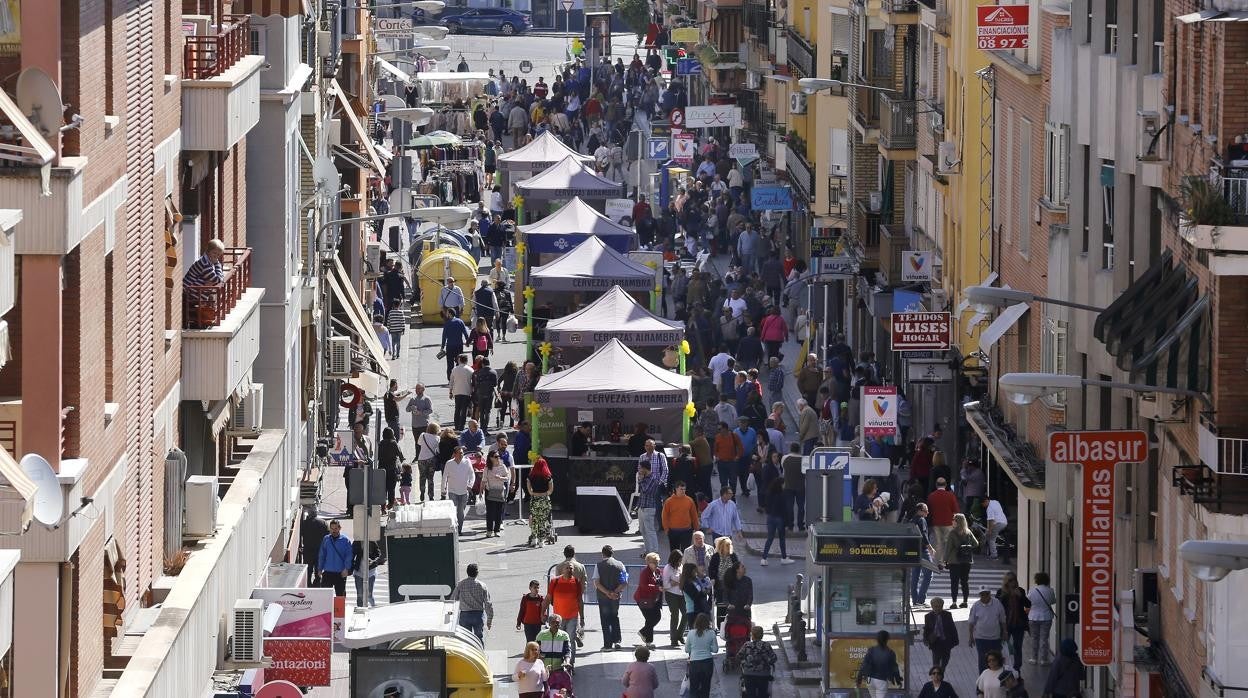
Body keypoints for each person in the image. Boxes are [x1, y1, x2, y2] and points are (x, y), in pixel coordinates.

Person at [545, 561, 584, 662]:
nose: (569, 570)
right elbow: (548, 597)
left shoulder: (576, 582)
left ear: (573, 570)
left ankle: (570, 663)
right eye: (567, 568)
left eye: (571, 568)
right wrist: (542, 612)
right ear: (562, 570)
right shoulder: (555, 581)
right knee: (559, 639)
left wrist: (582, 617)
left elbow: (580, 600)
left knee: (570, 639)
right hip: (558, 618)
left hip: (572, 616)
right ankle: (559, 662)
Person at [594, 545, 628, 650]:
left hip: (603, 597)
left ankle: (608, 645)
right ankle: (617, 641)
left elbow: (597, 583)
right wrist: (614, 592)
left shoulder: (598, 565)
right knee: (615, 617)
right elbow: (624, 582)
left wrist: (608, 593)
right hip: (616, 597)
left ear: (602, 554)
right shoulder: (620, 564)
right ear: (612, 553)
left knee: (605, 620)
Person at [449, 563, 494, 642]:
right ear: (477, 573)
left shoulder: (461, 584)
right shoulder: (482, 585)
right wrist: (489, 620)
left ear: (467, 572)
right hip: (478, 615)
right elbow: (488, 603)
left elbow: (453, 599)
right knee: (478, 638)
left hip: (464, 615)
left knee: (466, 639)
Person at [969, 586, 1008, 673]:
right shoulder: (976, 605)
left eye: (986, 594)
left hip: (995, 638)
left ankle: (997, 678)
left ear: (990, 594)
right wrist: (971, 636)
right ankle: (982, 679)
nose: (984, 596)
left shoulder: (997, 603)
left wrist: (1005, 632)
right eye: (982, 594)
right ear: (980, 595)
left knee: (996, 660)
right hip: (980, 638)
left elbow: (1002, 619)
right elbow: (971, 622)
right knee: (982, 660)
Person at [943, 513, 979, 608]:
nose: (952, 521)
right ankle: (965, 601)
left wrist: (944, 560)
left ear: (957, 522)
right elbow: (976, 543)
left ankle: (954, 602)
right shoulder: (968, 532)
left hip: (954, 561)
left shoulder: (952, 533)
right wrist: (967, 548)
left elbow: (948, 548)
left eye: (953, 520)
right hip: (966, 561)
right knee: (965, 582)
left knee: (954, 582)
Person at [998, 572, 1031, 671]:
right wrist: (1004, 595)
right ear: (1006, 582)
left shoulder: (1020, 591)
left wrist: (1021, 596)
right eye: (1010, 580)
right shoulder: (1001, 592)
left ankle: (1017, 669)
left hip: (1019, 624)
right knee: (1003, 647)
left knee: (1017, 647)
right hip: (1006, 624)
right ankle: (1003, 668)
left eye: (1014, 579)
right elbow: (997, 606)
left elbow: (1028, 604)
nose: (1012, 582)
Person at [855, 630, 903, 698]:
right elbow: (894, 668)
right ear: (887, 639)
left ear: (877, 639)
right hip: (881, 681)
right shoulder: (890, 653)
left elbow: (864, 665)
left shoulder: (871, 650)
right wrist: (898, 681)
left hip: (870, 680)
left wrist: (858, 680)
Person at [761, 477, 794, 566]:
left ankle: (764, 558)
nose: (784, 485)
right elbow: (785, 509)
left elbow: (766, 505)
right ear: (781, 484)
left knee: (770, 538)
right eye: (784, 484)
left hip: (770, 517)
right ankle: (783, 557)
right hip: (780, 518)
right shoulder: (782, 494)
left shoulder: (769, 493)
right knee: (782, 539)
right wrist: (788, 523)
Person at [443, 446, 475, 535]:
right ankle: (453, 530)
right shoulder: (449, 463)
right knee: (453, 511)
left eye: (462, 453)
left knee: (460, 513)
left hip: (464, 492)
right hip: (452, 491)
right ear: (454, 454)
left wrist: (470, 485)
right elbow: (444, 477)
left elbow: (472, 475)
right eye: (460, 453)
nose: (462, 454)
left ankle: (459, 530)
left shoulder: (467, 462)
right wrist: (443, 489)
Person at [1026, 572, 1057, 665]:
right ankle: (1044, 659)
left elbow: (1028, 602)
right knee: (1044, 639)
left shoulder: (1032, 590)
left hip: (1033, 617)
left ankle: (1034, 658)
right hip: (1046, 617)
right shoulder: (1050, 590)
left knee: (1034, 638)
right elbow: (1053, 601)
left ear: (1036, 580)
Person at [684, 613, 718, 698]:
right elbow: (715, 650)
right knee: (705, 688)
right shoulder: (711, 633)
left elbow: (687, 649)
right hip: (707, 662)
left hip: (694, 663)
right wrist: (707, 647)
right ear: (708, 622)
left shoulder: (691, 633)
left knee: (693, 688)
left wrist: (695, 648)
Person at [927, 477, 960, 565]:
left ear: (936, 485)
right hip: (948, 523)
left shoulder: (931, 496)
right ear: (945, 485)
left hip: (935, 523)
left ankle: (938, 562)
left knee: (937, 543)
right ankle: (945, 562)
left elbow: (928, 511)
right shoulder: (950, 495)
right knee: (947, 543)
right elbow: (956, 510)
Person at [634, 552, 664, 647]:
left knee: (657, 617)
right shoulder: (644, 572)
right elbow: (643, 586)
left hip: (654, 599)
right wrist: (656, 588)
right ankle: (648, 641)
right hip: (643, 599)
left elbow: (660, 581)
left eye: (657, 562)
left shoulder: (658, 571)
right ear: (648, 563)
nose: (656, 564)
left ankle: (644, 634)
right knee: (650, 619)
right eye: (654, 563)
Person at [738, 625, 777, 698]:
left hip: (749, 674)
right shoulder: (766, 645)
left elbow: (739, 656)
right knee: (763, 694)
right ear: (762, 635)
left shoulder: (747, 645)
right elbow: (774, 658)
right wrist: (768, 661)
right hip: (763, 674)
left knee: (750, 694)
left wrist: (745, 661)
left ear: (752, 635)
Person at [317, 519, 353, 596]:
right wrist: (320, 568)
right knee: (325, 596)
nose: (334, 531)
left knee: (340, 596)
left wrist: (346, 568)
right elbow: (322, 555)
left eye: (336, 528)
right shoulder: (326, 539)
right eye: (332, 528)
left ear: (340, 528)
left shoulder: (345, 540)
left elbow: (349, 556)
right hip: (327, 572)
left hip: (340, 573)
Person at [662, 480, 700, 553]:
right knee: (674, 553)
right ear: (676, 489)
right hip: (673, 531)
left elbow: (694, 515)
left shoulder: (689, 500)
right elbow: (664, 516)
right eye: (681, 489)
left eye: (684, 489)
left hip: (687, 531)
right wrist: (666, 529)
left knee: (686, 552)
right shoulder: (669, 501)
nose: (683, 491)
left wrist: (696, 529)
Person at [922, 598, 959, 671]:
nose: (937, 609)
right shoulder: (928, 616)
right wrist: (926, 639)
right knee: (936, 662)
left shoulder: (947, 615)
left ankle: (942, 671)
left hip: (946, 641)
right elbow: (926, 629)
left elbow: (952, 628)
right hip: (935, 642)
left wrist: (955, 641)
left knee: (945, 660)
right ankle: (937, 674)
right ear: (932, 606)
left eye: (940, 606)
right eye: (935, 606)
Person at [636, 461, 663, 556]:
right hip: (642, 507)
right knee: (643, 530)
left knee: (650, 530)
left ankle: (654, 551)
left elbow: (646, 490)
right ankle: (647, 551)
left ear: (645, 469)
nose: (639, 470)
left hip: (649, 508)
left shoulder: (652, 478)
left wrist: (640, 480)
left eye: (640, 468)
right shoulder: (645, 478)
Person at [526, 457, 554, 547]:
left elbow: (529, 489)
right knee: (542, 521)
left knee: (534, 519)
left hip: (534, 500)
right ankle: (541, 541)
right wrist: (544, 494)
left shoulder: (531, 476)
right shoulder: (548, 477)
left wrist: (533, 493)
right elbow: (550, 490)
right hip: (544, 500)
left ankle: (534, 539)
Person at [912, 502, 936, 606]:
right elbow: (924, 535)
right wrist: (930, 548)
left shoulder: (912, 519)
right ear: (920, 511)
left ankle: (915, 600)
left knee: (915, 575)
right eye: (926, 510)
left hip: (914, 550)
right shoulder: (921, 520)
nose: (928, 512)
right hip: (922, 550)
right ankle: (920, 599)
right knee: (929, 574)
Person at [662, 549, 687, 647]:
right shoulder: (667, 568)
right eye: (679, 560)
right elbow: (665, 585)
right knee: (675, 615)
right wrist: (674, 583)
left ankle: (679, 634)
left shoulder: (681, 566)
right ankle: (673, 639)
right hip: (671, 594)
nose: (680, 562)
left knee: (686, 614)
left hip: (681, 594)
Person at [482, 451, 510, 537]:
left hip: (499, 491)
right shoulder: (487, 468)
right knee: (490, 512)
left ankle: (497, 530)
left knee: (498, 511)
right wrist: (480, 491)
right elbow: (484, 480)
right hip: (489, 491)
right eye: (496, 456)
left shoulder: (502, 466)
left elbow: (507, 478)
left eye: (498, 456)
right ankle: (489, 530)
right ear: (491, 458)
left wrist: (500, 478)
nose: (498, 458)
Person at [377, 427, 405, 509]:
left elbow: (378, 456)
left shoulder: (381, 443)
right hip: (392, 469)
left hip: (382, 468)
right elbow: (400, 455)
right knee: (391, 488)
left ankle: (382, 506)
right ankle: (390, 504)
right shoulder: (394, 443)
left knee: (383, 488)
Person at [780, 443, 806, 531]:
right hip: (800, 486)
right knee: (801, 507)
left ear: (790, 449)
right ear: (799, 450)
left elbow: (783, 468)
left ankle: (790, 525)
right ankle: (800, 525)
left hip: (788, 485)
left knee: (789, 507)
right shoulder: (803, 459)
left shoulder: (785, 458)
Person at [351, 539, 382, 606]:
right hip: (359, 571)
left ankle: (373, 608)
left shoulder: (372, 541)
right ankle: (360, 609)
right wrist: (351, 568)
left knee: (369, 595)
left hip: (370, 571)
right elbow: (351, 555)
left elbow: (378, 554)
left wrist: (372, 560)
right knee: (360, 595)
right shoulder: (356, 542)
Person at [450, 354, 475, 430]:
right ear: (466, 360)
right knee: (464, 410)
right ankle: (461, 426)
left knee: (457, 409)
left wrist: (450, 392)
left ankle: (456, 425)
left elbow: (451, 381)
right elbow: (473, 381)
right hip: (466, 391)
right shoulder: (470, 370)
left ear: (459, 360)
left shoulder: (454, 369)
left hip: (457, 391)